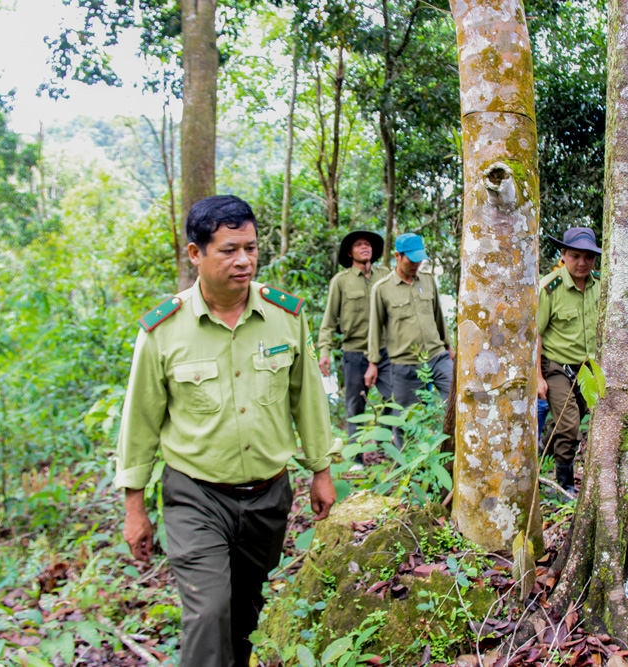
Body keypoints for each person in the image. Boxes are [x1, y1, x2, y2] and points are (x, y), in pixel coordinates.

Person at [115, 195, 336, 666]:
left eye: (251, 248)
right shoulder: (164, 330)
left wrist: (320, 469)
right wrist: (135, 506)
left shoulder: (286, 316)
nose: (244, 261)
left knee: (246, 609)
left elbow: (308, 399)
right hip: (196, 494)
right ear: (195, 254)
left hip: (268, 494)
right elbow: (140, 420)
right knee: (208, 610)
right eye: (229, 250)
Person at [537, 227, 602, 493]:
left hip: (587, 369)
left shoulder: (600, 286)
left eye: (588, 257)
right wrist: (538, 378)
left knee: (574, 419)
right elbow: (535, 335)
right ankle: (564, 486)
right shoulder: (549, 288)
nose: (582, 263)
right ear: (563, 255)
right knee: (570, 426)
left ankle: (543, 450)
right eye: (575, 256)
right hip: (556, 367)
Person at [317, 231, 393, 454]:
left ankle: (385, 449)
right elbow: (329, 319)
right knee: (355, 405)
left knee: (394, 398)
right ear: (350, 252)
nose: (364, 247)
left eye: (367, 244)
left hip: (386, 351)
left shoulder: (386, 275)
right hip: (355, 352)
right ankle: (356, 457)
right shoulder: (341, 282)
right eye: (359, 245)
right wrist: (324, 351)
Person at [365, 233, 454, 410]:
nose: (416, 264)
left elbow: (437, 316)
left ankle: (450, 438)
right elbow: (375, 328)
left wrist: (449, 346)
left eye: (419, 260)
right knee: (408, 420)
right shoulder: (382, 289)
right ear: (397, 256)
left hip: (437, 356)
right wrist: (373, 363)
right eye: (411, 260)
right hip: (405, 364)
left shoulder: (428, 279)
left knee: (457, 401)